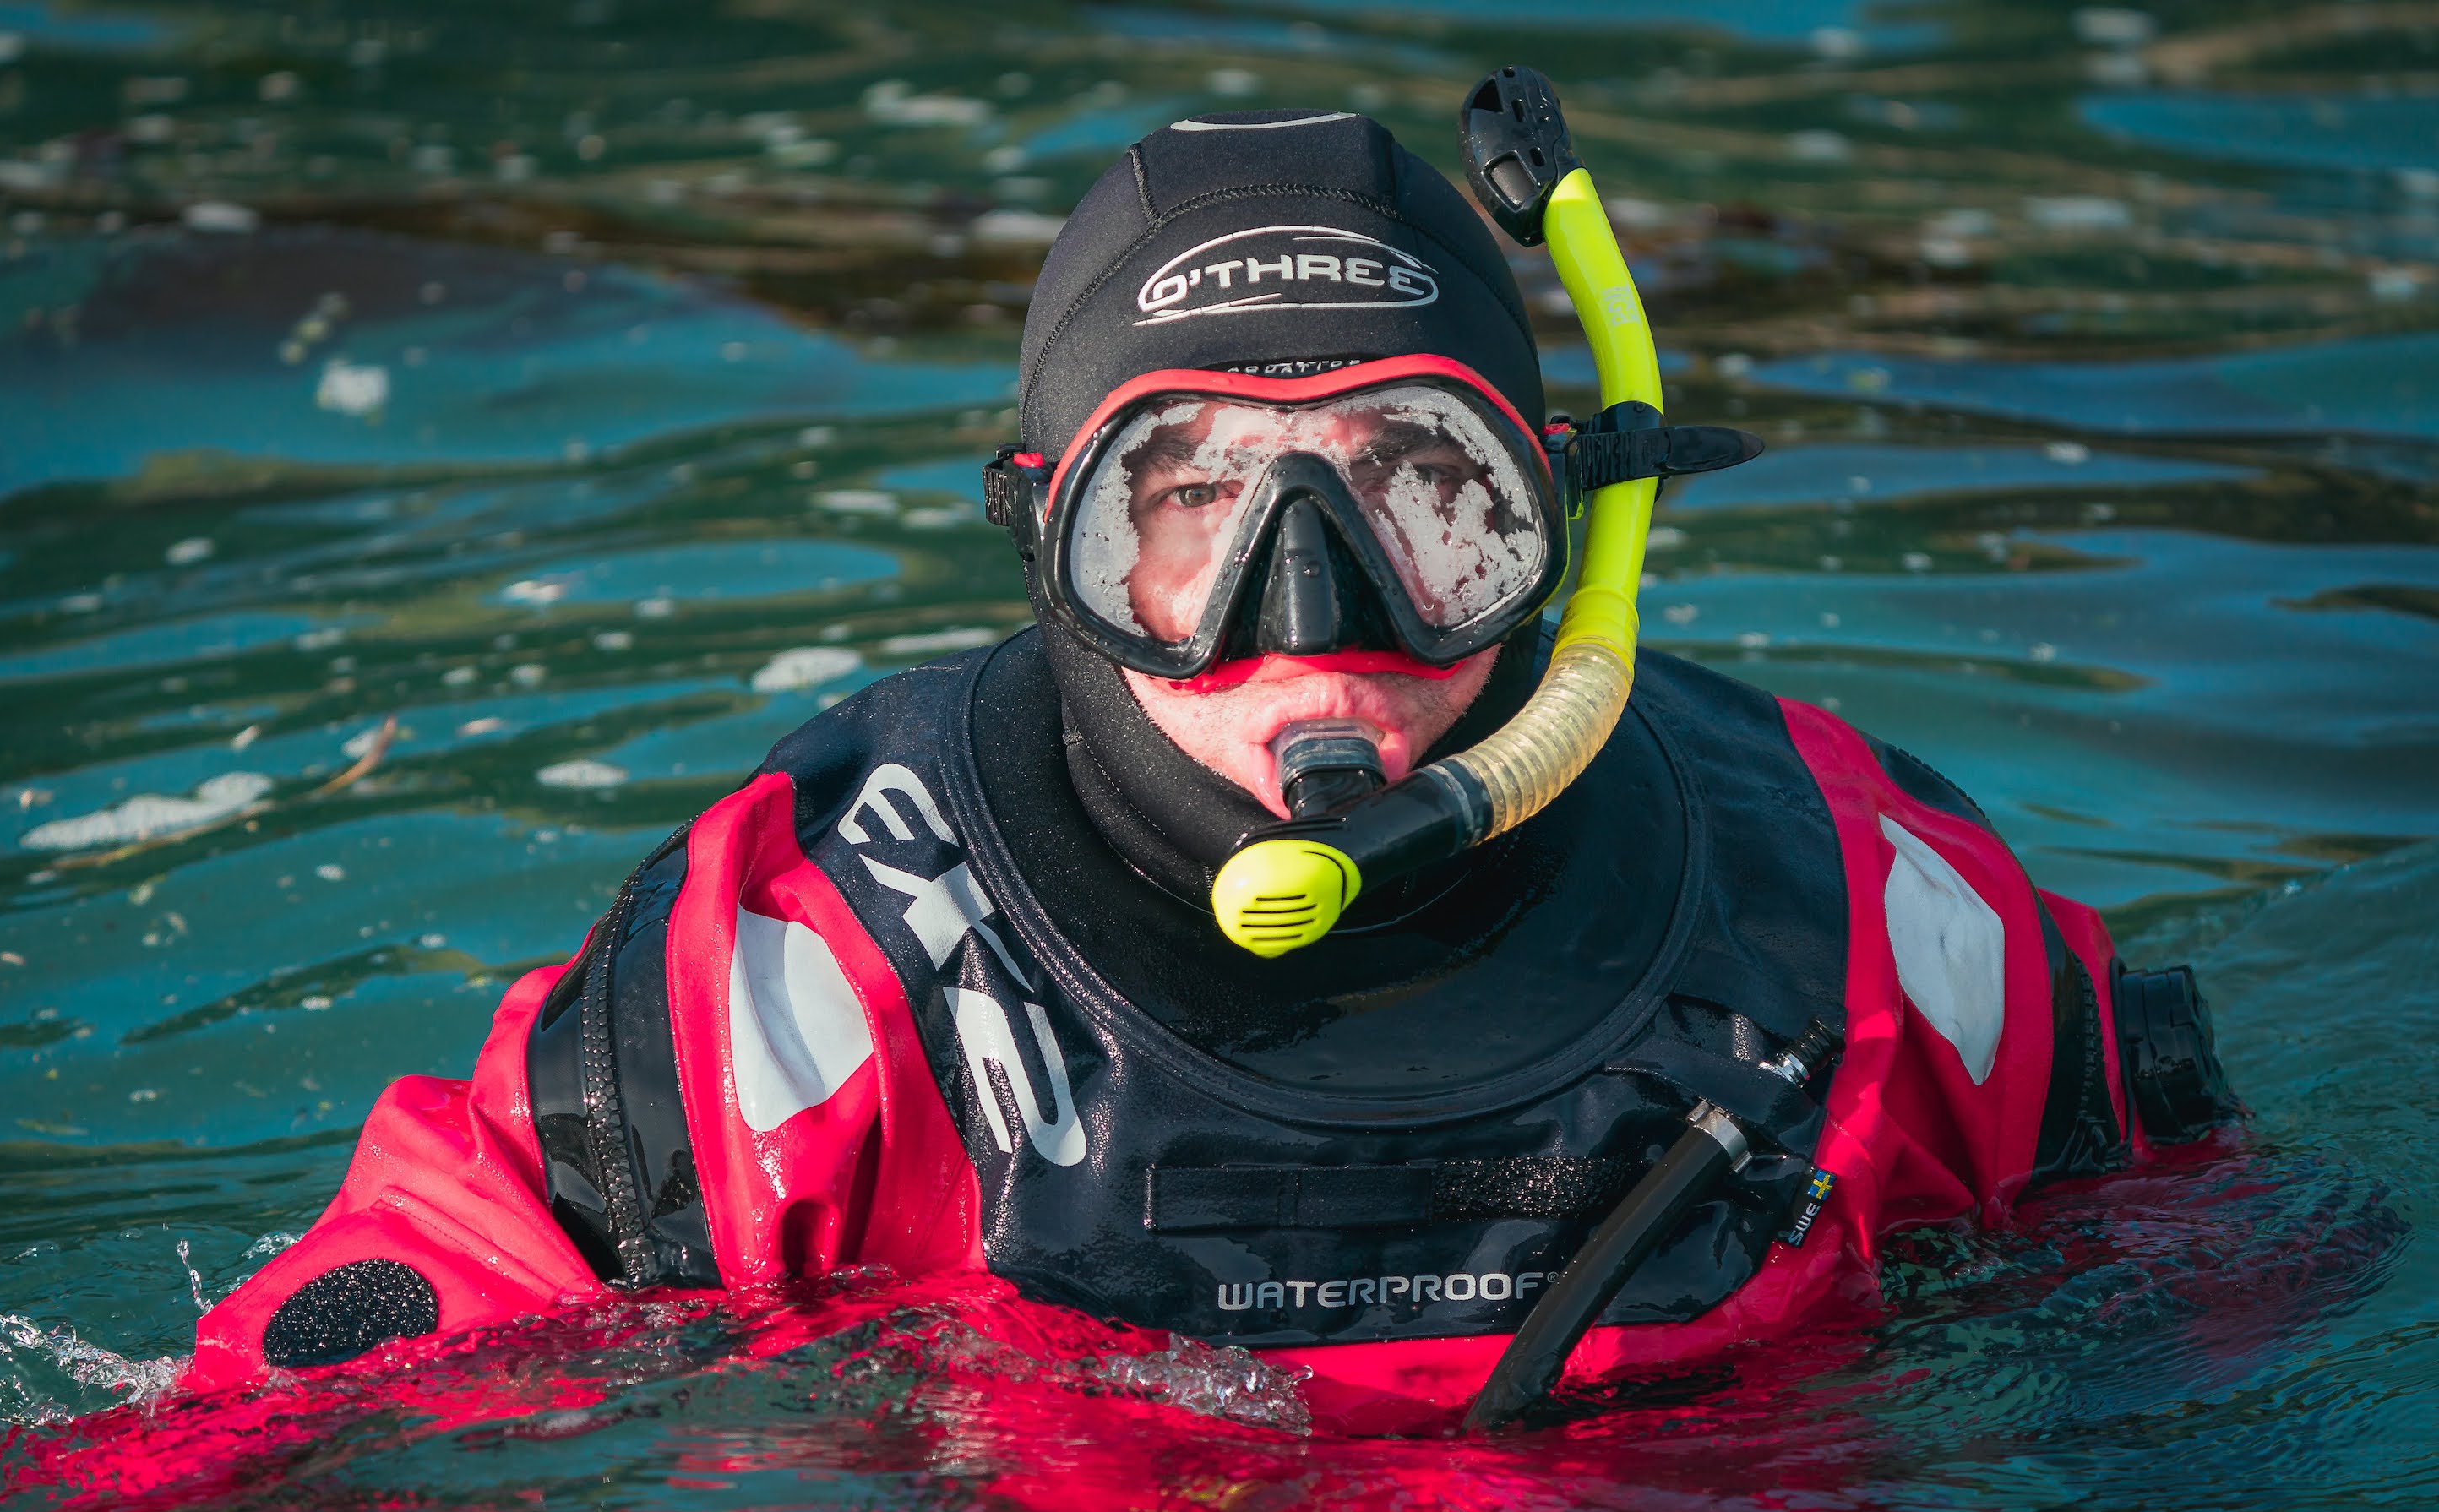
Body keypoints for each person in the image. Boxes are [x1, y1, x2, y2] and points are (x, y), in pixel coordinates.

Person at [182, 103, 2239, 1433]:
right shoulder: (809, 961)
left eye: (1420, 498)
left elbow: (2213, 1334)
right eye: (1187, 507)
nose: (1305, 608)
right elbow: (325, 1400)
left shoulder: (1861, 906)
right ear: (1049, 538)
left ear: (1556, 522)